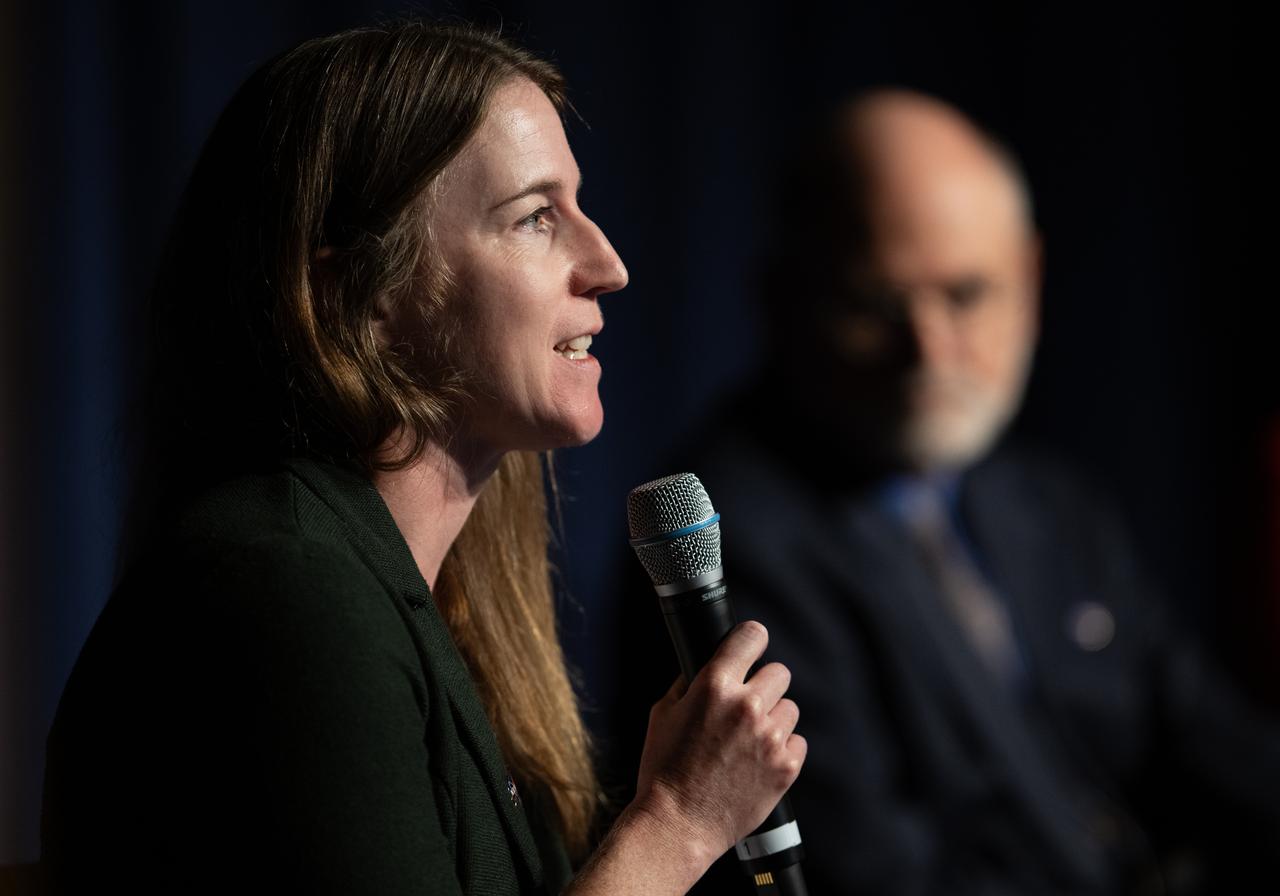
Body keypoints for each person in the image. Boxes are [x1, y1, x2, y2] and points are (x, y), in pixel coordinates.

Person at [39, 22, 806, 896]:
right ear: (354, 295)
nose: (609, 266)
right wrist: (678, 822)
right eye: (535, 217)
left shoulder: (418, 598)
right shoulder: (283, 591)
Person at [608, 89, 1280, 894]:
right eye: (876, 306)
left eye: (964, 294)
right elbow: (872, 871)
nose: (928, 350)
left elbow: (1213, 743)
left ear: (1029, 276)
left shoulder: (1045, 500)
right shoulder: (732, 544)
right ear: (785, 299)